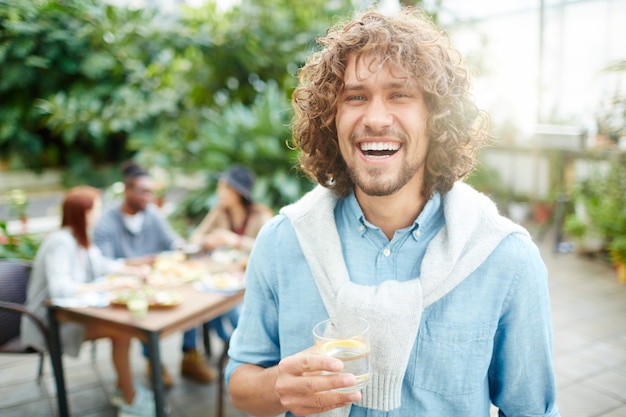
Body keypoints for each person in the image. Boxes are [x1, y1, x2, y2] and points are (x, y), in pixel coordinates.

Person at [225, 7, 560, 417]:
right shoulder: (284, 241)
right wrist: (278, 387)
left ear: (435, 117)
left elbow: (532, 411)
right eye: (355, 97)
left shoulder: (505, 258)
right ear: (331, 118)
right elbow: (240, 387)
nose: (376, 118)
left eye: (400, 94)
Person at [21, 186, 155, 417]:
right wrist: (110, 285)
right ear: (83, 212)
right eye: (97, 209)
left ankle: (125, 388)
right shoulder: (60, 242)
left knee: (124, 329)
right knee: (123, 330)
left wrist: (133, 271)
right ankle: (129, 397)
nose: (100, 214)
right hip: (49, 322)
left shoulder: (80, 238)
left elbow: (103, 265)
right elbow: (60, 288)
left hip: (72, 314)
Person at [93, 161, 217, 386]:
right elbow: (104, 264)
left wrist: (186, 248)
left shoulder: (152, 213)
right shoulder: (106, 222)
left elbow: (171, 240)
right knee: (142, 312)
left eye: (151, 192)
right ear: (127, 190)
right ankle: (154, 362)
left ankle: (189, 355)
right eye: (143, 192)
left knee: (192, 299)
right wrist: (139, 263)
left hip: (160, 277)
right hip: (127, 284)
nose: (148, 197)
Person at [189, 165, 273, 341]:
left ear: (238, 192)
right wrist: (207, 241)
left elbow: (270, 247)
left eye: (224, 187)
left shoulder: (260, 215)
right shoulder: (219, 212)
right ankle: (228, 343)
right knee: (208, 305)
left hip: (248, 281)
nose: (219, 192)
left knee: (229, 309)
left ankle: (242, 341)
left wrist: (234, 240)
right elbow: (195, 237)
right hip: (221, 276)